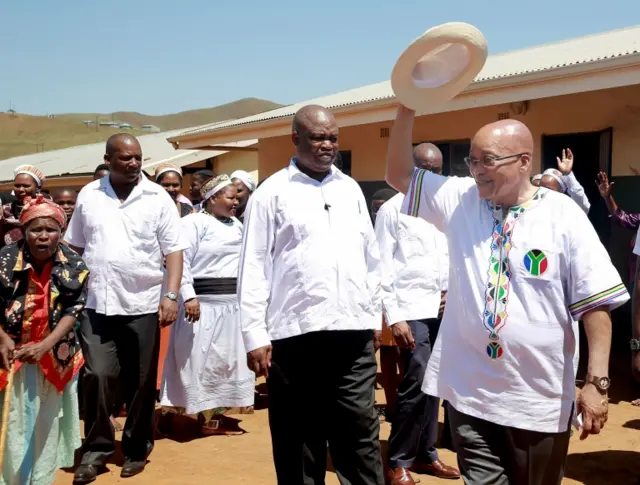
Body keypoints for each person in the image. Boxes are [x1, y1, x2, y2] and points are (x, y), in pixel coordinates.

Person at [386, 105, 628, 485]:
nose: (475, 169)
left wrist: (596, 382)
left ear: (523, 161)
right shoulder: (461, 199)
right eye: (472, 159)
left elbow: (596, 303)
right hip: (471, 398)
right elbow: (398, 173)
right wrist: (408, 105)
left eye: (487, 160)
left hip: (538, 403)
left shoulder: (563, 216)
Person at [239, 104, 384, 485]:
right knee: (299, 438)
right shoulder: (271, 194)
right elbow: (253, 267)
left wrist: (373, 316)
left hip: (352, 334)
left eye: (332, 138)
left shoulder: (350, 189)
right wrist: (254, 335)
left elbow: (370, 258)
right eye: (318, 137)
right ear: (296, 138)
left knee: (360, 433)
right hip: (294, 336)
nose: (327, 145)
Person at [65, 134, 186, 483]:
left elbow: (174, 250)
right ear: (108, 158)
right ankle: (97, 449)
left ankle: (136, 448)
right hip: (96, 303)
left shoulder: (157, 197)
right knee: (98, 374)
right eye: (126, 158)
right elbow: (74, 245)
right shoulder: (90, 195)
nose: (134, 164)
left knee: (141, 380)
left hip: (143, 303)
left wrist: (172, 295)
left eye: (138, 158)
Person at [378, 144, 459, 484]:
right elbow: (380, 267)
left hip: (445, 309)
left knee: (437, 382)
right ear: (411, 169)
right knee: (416, 380)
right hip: (410, 309)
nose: (432, 175)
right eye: (425, 168)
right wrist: (394, 317)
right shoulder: (393, 210)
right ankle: (399, 460)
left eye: (437, 169)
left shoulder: (448, 211)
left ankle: (427, 454)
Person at [0, 195, 89, 485]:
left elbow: (74, 310)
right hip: (8, 357)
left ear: (60, 232)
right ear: (23, 231)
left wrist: (44, 346)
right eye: (35, 229)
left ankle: (39, 479)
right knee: (11, 423)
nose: (43, 236)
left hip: (52, 357)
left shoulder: (74, 263)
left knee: (44, 425)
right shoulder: (4, 259)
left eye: (50, 230)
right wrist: (2, 337)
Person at [160, 174, 255, 435]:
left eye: (237, 197)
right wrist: (188, 295)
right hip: (201, 306)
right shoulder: (193, 223)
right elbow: (180, 261)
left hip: (231, 307)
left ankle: (212, 418)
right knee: (192, 362)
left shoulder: (237, 225)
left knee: (223, 363)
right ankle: (170, 413)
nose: (235, 202)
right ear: (212, 198)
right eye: (230, 197)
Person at [370, 187, 402, 423]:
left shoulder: (398, 225)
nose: (377, 212)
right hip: (370, 300)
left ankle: (397, 406)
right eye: (374, 208)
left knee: (398, 354)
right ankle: (387, 406)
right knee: (379, 356)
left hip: (394, 299)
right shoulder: (365, 229)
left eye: (381, 207)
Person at [1, 165, 45, 247]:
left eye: (26, 186)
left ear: (38, 188)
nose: (20, 190)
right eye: (17, 186)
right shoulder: (5, 210)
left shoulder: (47, 209)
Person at [537, 149, 590, 213]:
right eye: (541, 187)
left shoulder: (566, 208)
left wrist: (568, 174)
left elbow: (582, 205)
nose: (543, 191)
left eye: (548, 188)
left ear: (561, 190)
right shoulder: (534, 206)